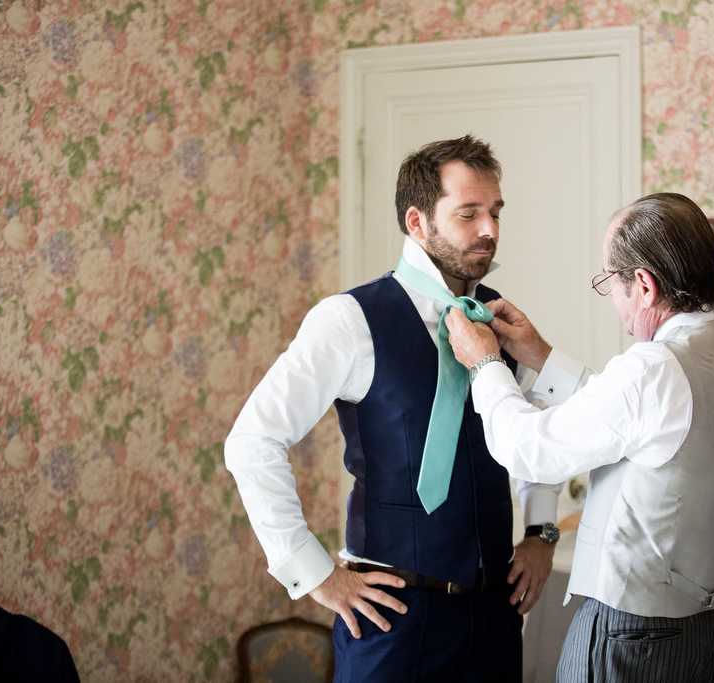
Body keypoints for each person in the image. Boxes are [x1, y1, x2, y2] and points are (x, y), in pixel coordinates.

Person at [224, 135, 563, 683]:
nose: (490, 231)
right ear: (417, 222)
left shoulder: (500, 319)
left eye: (495, 212)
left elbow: (540, 424)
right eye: (468, 214)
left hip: (493, 620)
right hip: (392, 621)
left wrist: (542, 533)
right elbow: (251, 441)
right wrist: (313, 574)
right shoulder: (348, 320)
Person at [446, 192, 714, 683]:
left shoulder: (654, 370)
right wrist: (541, 355)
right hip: (712, 634)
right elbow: (642, 427)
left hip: (633, 640)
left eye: (610, 282)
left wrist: (483, 364)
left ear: (644, 285)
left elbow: (528, 449)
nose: (613, 300)